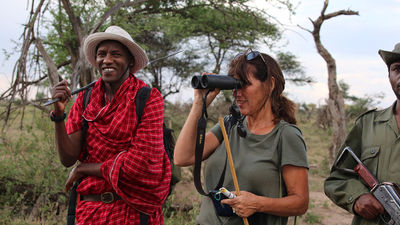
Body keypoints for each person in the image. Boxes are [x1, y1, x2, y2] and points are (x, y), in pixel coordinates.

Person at [50, 26, 171, 225]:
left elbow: (139, 166)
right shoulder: (86, 99)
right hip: (88, 212)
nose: (107, 60)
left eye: (116, 54)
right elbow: (67, 158)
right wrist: (59, 114)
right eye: (101, 54)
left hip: (133, 211)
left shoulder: (148, 98)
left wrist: (84, 169)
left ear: (130, 61)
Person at [174, 49, 309, 225]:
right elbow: (182, 157)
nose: (238, 92)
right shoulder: (230, 124)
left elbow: (300, 203)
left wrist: (258, 204)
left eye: (245, 84)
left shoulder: (286, 135)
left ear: (270, 84)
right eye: (235, 85)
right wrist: (200, 103)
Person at [324, 42, 400, 225]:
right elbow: (337, 179)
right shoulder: (367, 124)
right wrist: (357, 197)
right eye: (397, 69)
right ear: (389, 75)